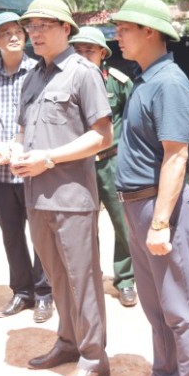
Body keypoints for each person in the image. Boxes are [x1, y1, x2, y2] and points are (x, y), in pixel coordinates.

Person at [13, 0, 113, 376]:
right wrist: (14, 149)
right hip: (36, 196)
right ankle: (68, 341)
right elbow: (25, 132)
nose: (34, 33)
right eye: (30, 27)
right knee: (57, 278)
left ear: (65, 29)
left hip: (72, 196)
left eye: (43, 26)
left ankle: (93, 355)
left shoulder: (83, 72)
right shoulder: (33, 76)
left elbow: (101, 136)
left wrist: (49, 158)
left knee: (82, 278)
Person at [111, 0, 189, 376]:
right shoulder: (145, 78)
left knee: (179, 310)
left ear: (149, 31)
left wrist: (160, 223)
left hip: (158, 207)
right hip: (139, 206)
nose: (116, 37)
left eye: (123, 29)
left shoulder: (168, 83)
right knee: (157, 310)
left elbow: (177, 157)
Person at [0, 12, 54, 321]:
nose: (14, 36)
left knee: (41, 233)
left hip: (32, 168)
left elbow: (46, 119)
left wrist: (23, 149)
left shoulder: (39, 71)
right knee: (11, 234)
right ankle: (22, 291)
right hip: (0, 172)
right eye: (5, 33)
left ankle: (45, 293)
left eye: (18, 31)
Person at [68, 26, 138, 308]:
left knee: (123, 223)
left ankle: (126, 280)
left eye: (90, 51)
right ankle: (89, 279)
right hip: (77, 164)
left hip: (112, 162)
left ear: (103, 54)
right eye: (78, 50)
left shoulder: (118, 82)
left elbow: (135, 123)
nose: (84, 56)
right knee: (83, 226)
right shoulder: (66, 81)